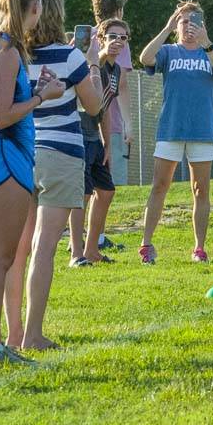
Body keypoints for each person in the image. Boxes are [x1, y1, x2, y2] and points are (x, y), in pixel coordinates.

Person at [3, 0, 104, 351]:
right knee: (45, 248)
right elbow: (94, 107)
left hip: (21, 152)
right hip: (61, 155)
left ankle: (13, 334)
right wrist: (91, 64)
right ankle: (33, 335)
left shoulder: (12, 54)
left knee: (17, 249)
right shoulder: (69, 56)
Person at [0, 0, 64, 364]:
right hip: (6, 154)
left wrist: (34, 90)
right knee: (0, 257)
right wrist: (43, 96)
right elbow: (1, 116)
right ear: (33, 7)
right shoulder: (7, 49)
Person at [138, 1, 213, 264]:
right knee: (159, 186)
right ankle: (146, 245)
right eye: (184, 21)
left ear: (203, 25)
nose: (189, 26)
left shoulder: (212, 51)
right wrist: (166, 29)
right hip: (171, 129)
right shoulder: (169, 51)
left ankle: (199, 248)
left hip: (202, 131)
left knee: (200, 190)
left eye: (195, 21)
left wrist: (207, 42)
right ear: (177, 25)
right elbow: (145, 58)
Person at [69, 18, 129, 268]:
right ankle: (76, 253)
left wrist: (107, 144)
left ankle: (92, 250)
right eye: (113, 36)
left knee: (106, 191)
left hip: (96, 139)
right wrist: (95, 56)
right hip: (78, 135)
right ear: (100, 38)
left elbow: (104, 108)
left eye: (123, 37)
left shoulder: (116, 71)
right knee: (81, 194)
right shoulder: (91, 63)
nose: (118, 42)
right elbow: (85, 102)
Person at [88, 0, 134, 245]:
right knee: (103, 183)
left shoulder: (87, 37)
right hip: (107, 120)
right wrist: (128, 122)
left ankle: (87, 238)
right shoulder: (117, 36)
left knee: (89, 184)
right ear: (117, 11)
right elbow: (123, 84)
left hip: (85, 120)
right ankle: (97, 238)